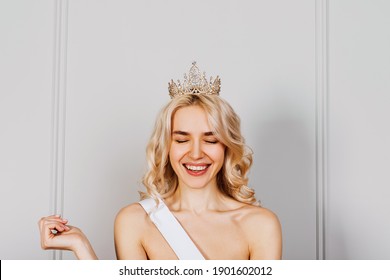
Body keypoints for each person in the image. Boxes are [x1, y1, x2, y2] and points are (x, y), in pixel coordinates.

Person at [38, 62, 282, 260]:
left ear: (228, 146)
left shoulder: (260, 226)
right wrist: (80, 246)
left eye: (210, 140)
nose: (196, 153)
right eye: (181, 140)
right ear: (166, 147)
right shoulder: (135, 221)